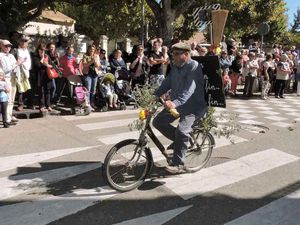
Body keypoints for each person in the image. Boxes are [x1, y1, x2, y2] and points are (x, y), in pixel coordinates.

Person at [153, 42, 207, 174]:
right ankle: (180, 143)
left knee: (182, 131)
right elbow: (168, 82)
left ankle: (179, 164)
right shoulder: (176, 66)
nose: (173, 57)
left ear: (186, 54)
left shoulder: (193, 66)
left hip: (194, 106)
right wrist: (156, 94)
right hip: (179, 104)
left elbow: (190, 89)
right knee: (158, 122)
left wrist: (175, 103)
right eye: (172, 54)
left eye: (176, 54)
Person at [0, 39, 22, 125]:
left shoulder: (11, 56)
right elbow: (5, 70)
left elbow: (15, 67)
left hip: (13, 78)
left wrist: (17, 65)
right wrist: (16, 64)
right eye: (6, 46)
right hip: (6, 79)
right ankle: (7, 119)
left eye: (9, 46)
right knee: (7, 99)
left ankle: (9, 116)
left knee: (12, 99)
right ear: (1, 46)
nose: (8, 47)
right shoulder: (1, 56)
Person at [32, 43, 53, 112]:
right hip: (39, 77)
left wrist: (46, 64)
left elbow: (51, 65)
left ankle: (48, 105)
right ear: (38, 50)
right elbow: (38, 66)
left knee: (48, 91)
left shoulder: (47, 56)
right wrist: (44, 63)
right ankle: (41, 105)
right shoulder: (35, 57)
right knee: (41, 91)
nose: (42, 51)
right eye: (41, 49)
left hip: (47, 76)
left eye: (44, 50)